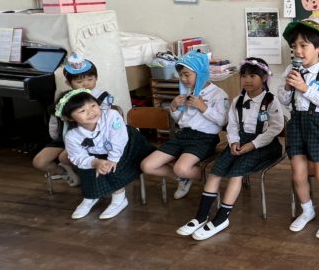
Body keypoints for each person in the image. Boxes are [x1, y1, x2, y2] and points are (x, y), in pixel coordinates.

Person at [176, 57, 284, 240]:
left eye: (253, 76)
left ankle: (222, 217)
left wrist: (253, 144)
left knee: (236, 173)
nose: (247, 80)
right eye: (244, 76)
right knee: (216, 171)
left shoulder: (271, 101)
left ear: (264, 78)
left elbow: (276, 128)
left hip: (264, 145)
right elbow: (232, 125)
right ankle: (201, 216)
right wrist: (233, 142)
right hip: (239, 142)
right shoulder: (237, 101)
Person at [277, 13, 319, 239]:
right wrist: (288, 87)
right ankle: (307, 210)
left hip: (318, 124)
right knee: (298, 172)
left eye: (304, 45)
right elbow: (284, 100)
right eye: (294, 46)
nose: (298, 51)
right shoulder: (290, 70)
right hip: (296, 123)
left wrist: (305, 88)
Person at [140, 51, 228, 200]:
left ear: (201, 73)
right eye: (180, 75)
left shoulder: (219, 94)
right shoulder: (187, 92)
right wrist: (174, 108)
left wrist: (203, 107)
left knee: (180, 167)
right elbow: (181, 120)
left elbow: (223, 121)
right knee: (147, 165)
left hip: (204, 138)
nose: (183, 79)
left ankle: (211, 178)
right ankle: (183, 178)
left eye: (187, 75)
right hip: (182, 135)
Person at [61, 89, 153, 220]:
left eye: (93, 105)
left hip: (127, 144)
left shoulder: (111, 115)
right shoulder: (72, 135)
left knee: (113, 167)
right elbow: (77, 156)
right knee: (87, 168)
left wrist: (112, 160)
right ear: (70, 117)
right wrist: (94, 162)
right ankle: (91, 196)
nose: (91, 112)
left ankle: (119, 198)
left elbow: (119, 140)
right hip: (101, 152)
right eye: (82, 111)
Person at [32, 53, 113, 187]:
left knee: (64, 157)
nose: (85, 84)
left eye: (90, 79)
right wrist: (55, 136)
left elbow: (105, 121)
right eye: (79, 82)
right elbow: (55, 118)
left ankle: (87, 179)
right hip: (64, 137)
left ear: (96, 78)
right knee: (39, 162)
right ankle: (66, 172)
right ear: (68, 83)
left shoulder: (102, 97)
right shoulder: (65, 98)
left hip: (87, 138)